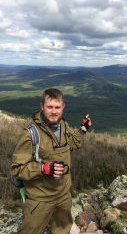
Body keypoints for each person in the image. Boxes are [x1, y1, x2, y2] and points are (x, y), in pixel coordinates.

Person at [11, 88, 91, 234]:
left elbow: (71, 145)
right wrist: (43, 169)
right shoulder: (30, 133)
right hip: (40, 198)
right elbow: (17, 168)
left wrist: (83, 130)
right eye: (50, 107)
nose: (54, 111)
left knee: (62, 230)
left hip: (63, 195)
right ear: (42, 107)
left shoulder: (63, 126)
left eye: (57, 107)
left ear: (63, 107)